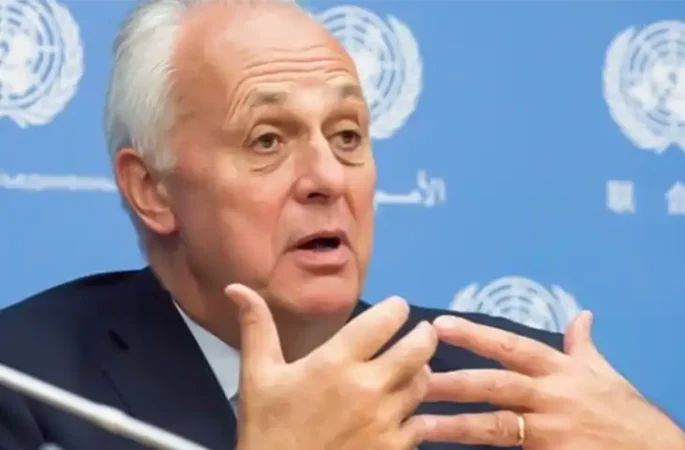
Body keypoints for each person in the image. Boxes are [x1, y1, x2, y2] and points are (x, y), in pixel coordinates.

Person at [0, 0, 682, 449]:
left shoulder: (516, 391)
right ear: (152, 190)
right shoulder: (26, 389)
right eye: (268, 140)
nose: (327, 177)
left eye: (348, 135)